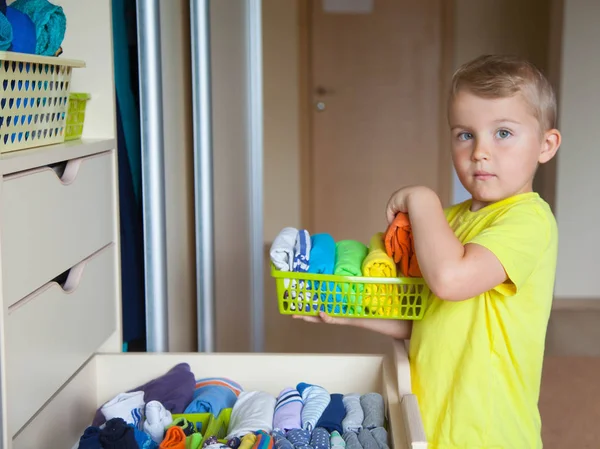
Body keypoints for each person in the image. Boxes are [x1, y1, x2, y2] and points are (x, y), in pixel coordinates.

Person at [294, 54, 561, 449]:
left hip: (486, 433)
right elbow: (425, 315)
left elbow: (450, 281)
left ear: (545, 145)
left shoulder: (529, 221)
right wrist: (346, 310)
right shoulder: (448, 221)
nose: (480, 152)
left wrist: (421, 199)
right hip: (431, 417)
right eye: (465, 134)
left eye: (503, 133)